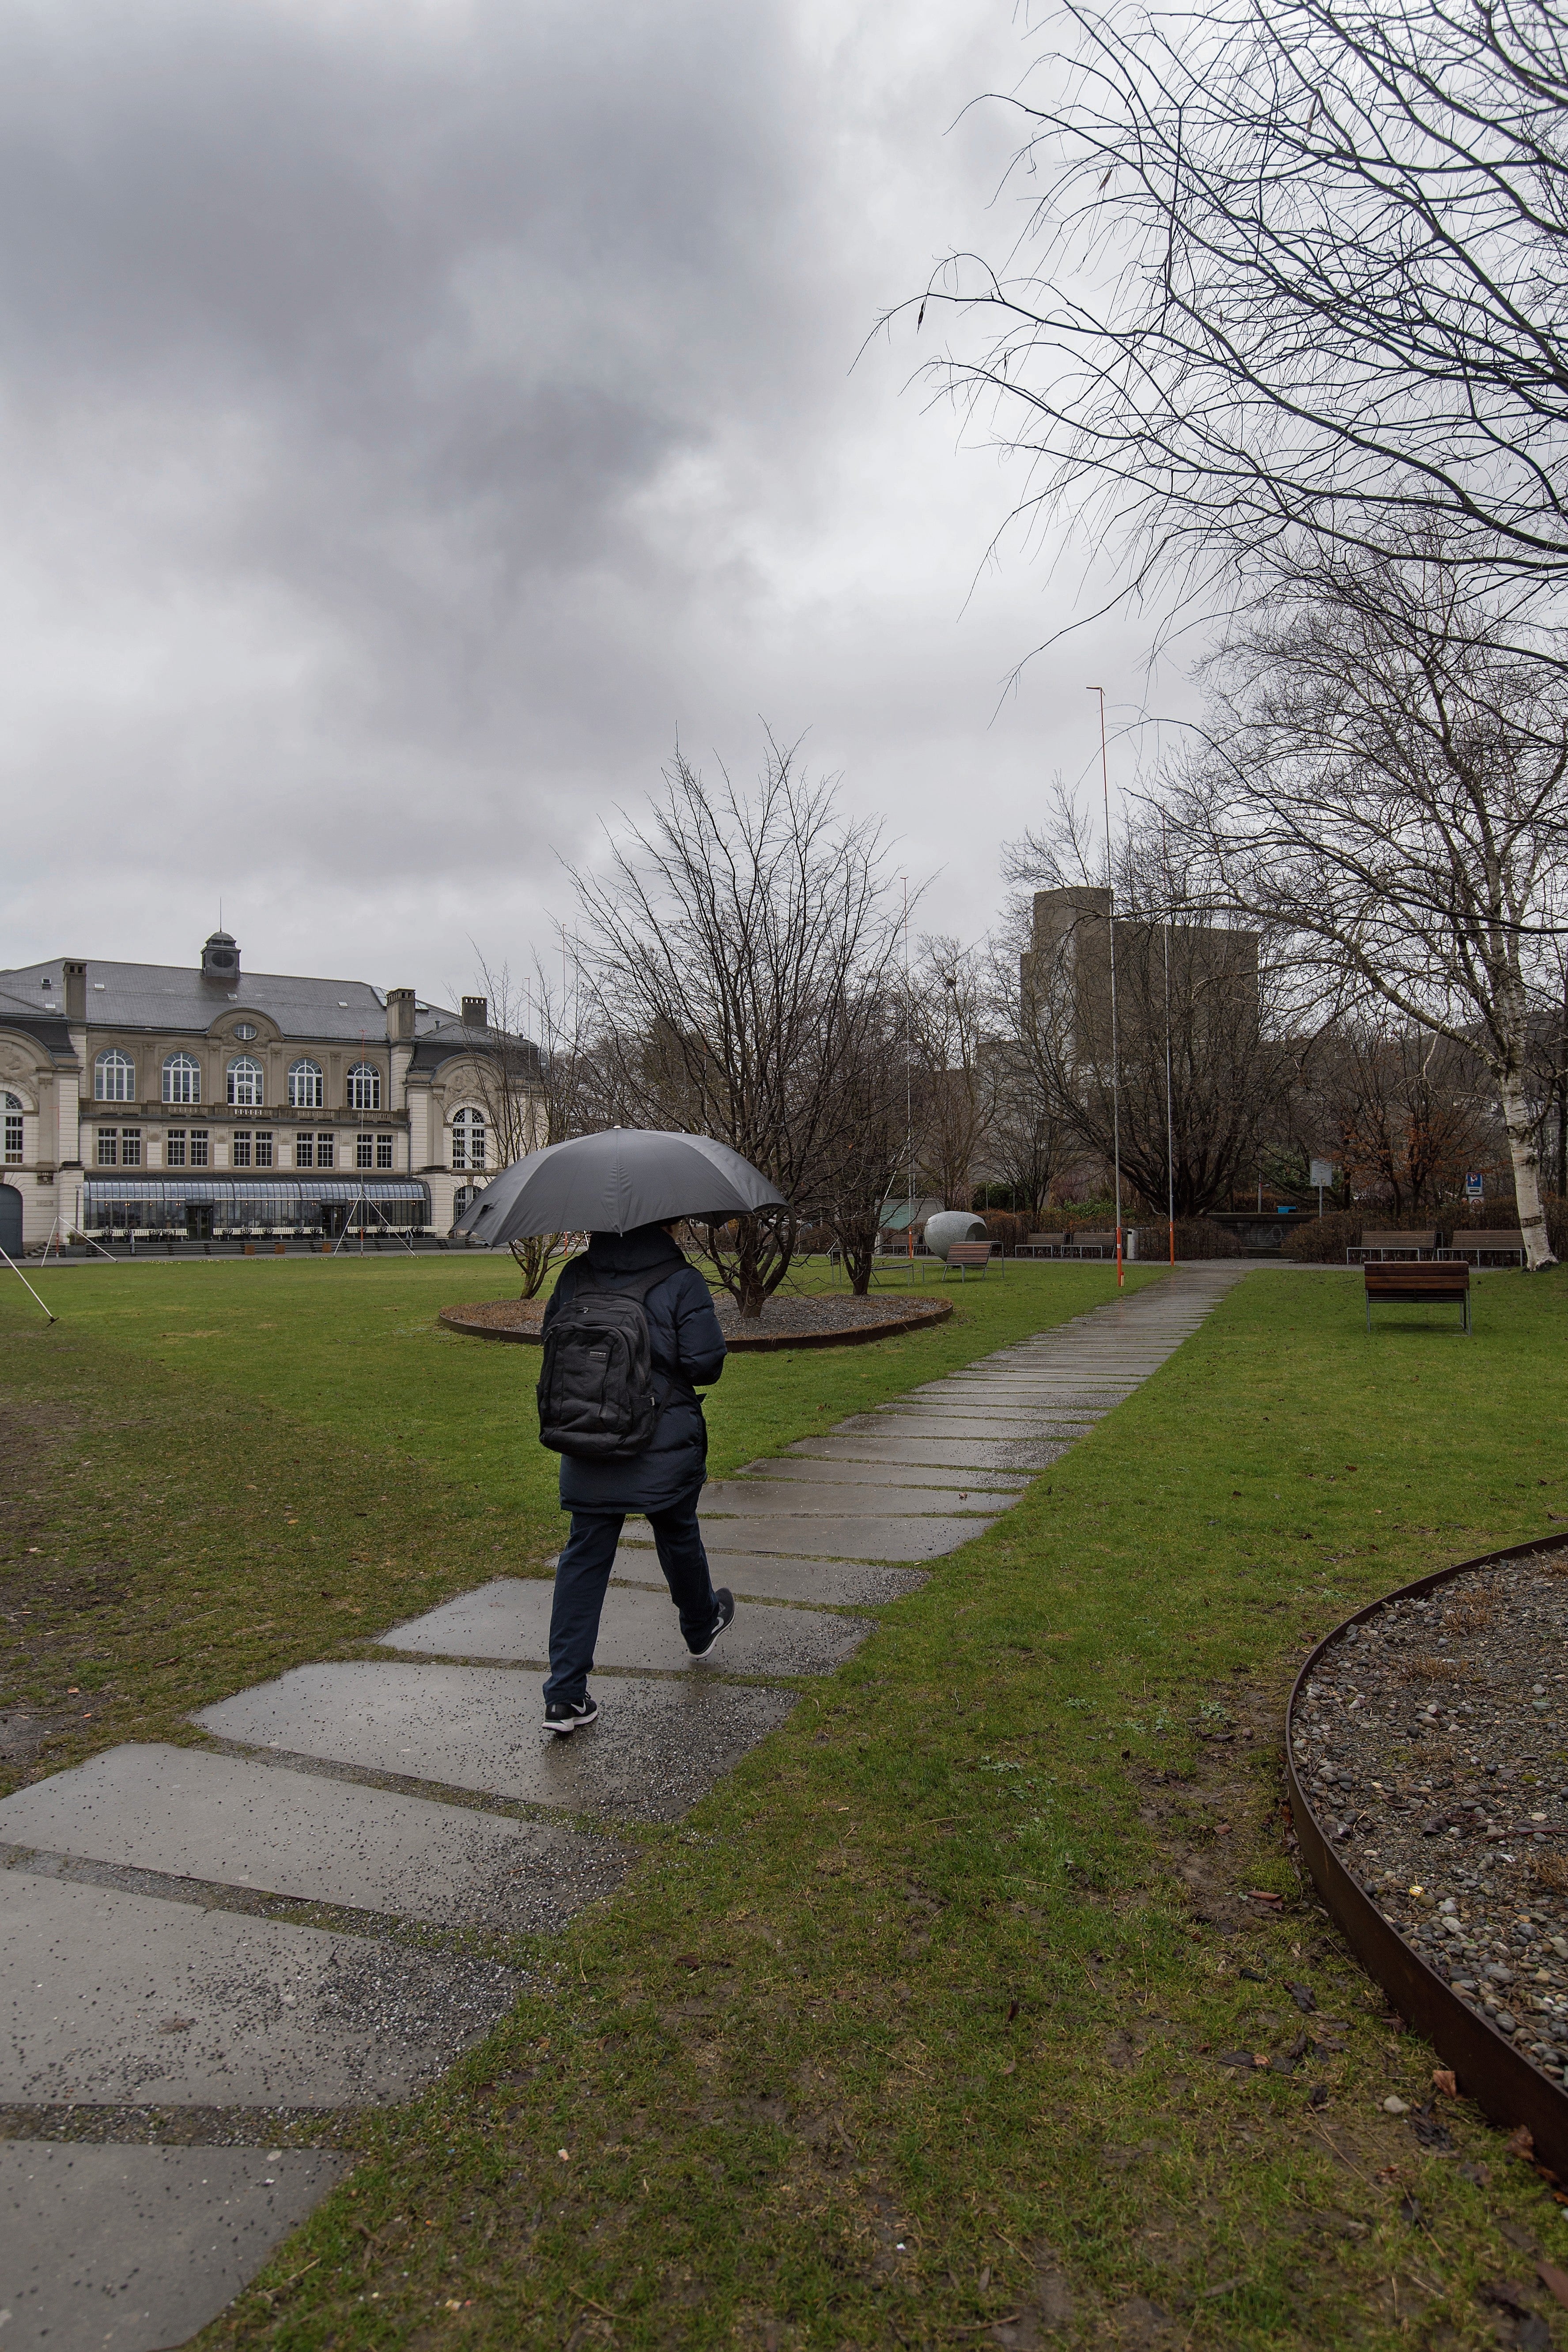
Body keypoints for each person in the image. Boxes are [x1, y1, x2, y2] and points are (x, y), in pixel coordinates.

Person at [538, 1218, 733, 1735]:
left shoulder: (575, 1275)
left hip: (587, 1433)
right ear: (663, 1221)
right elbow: (704, 1363)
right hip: (659, 1438)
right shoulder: (681, 1280)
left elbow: (551, 1341)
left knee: (583, 1556)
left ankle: (564, 1694)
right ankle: (699, 1625)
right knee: (676, 1529)